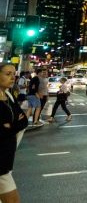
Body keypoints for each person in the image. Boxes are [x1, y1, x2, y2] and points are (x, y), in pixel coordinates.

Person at [1, 62, 30, 203]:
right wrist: (13, 126)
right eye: (8, 74)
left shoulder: (9, 96)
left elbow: (24, 121)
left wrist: (9, 126)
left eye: (14, 74)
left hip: (7, 160)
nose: (13, 77)